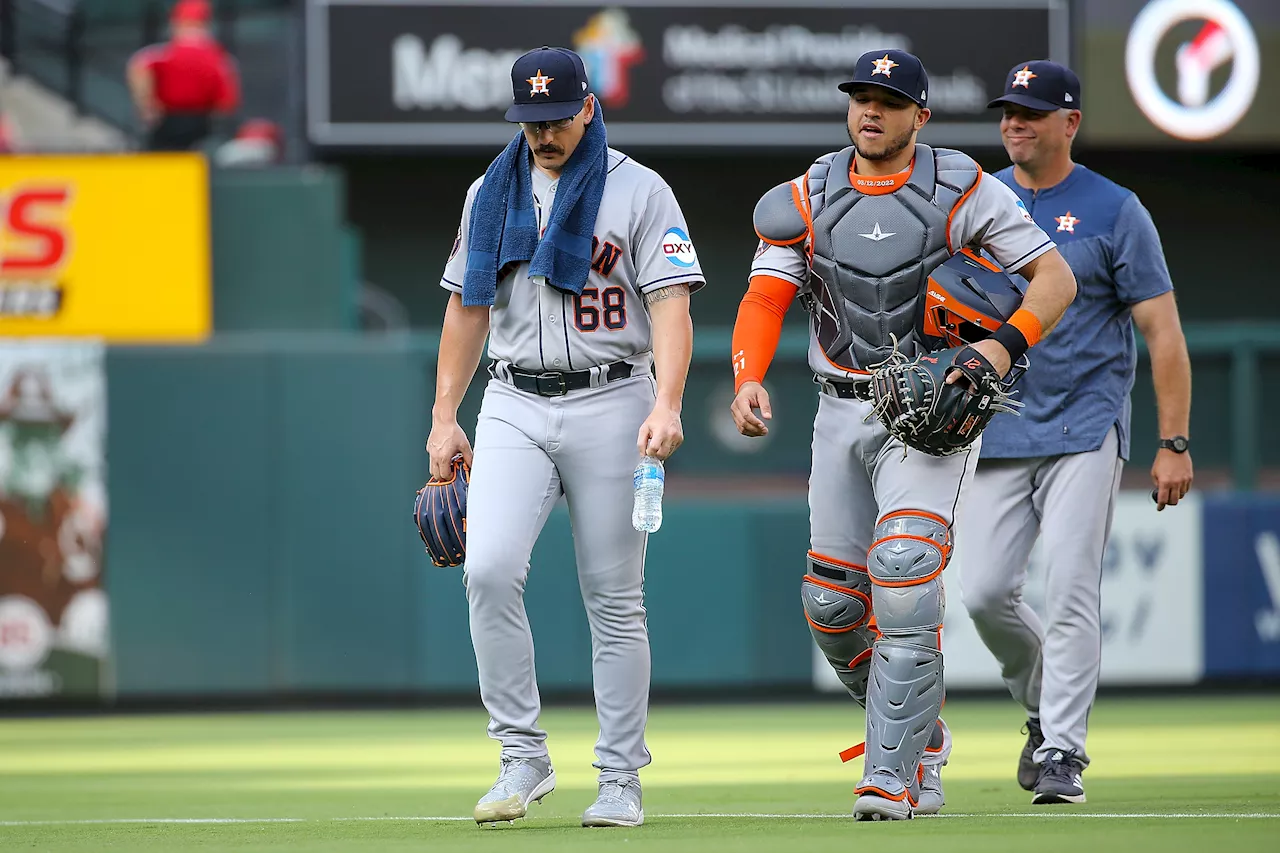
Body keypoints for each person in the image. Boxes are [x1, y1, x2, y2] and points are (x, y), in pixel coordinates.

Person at [728, 49, 1077, 820]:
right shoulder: (808, 195)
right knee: (831, 606)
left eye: (888, 100)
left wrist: (1000, 344)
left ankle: (894, 774)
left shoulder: (963, 188)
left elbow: (1057, 280)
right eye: (860, 97)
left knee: (906, 570)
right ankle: (922, 729)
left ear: (920, 114)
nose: (869, 111)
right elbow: (763, 296)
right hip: (837, 405)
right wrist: (748, 374)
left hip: (930, 410)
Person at [427, 46, 703, 828]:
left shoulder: (639, 188)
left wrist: (670, 400)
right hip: (512, 399)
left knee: (615, 599)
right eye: (530, 120)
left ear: (587, 106)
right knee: (485, 569)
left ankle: (620, 777)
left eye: (555, 118)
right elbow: (466, 308)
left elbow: (673, 303)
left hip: (615, 397)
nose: (542, 134)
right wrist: (446, 414)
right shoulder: (491, 191)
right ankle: (522, 753)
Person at [956, 60, 1194, 805]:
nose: (1014, 123)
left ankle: (1063, 748)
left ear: (1071, 123)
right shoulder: (975, 201)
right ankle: (1040, 705)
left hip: (1085, 422)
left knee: (1069, 590)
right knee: (984, 593)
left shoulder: (1115, 208)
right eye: (1008, 111)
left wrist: (1173, 441)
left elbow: (1163, 332)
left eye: (1031, 111)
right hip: (995, 426)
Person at [126, 0, 240, 151]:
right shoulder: (220, 58)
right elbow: (226, 104)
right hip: (201, 125)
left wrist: (147, 105)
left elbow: (137, 66)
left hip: (168, 123)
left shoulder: (163, 53)